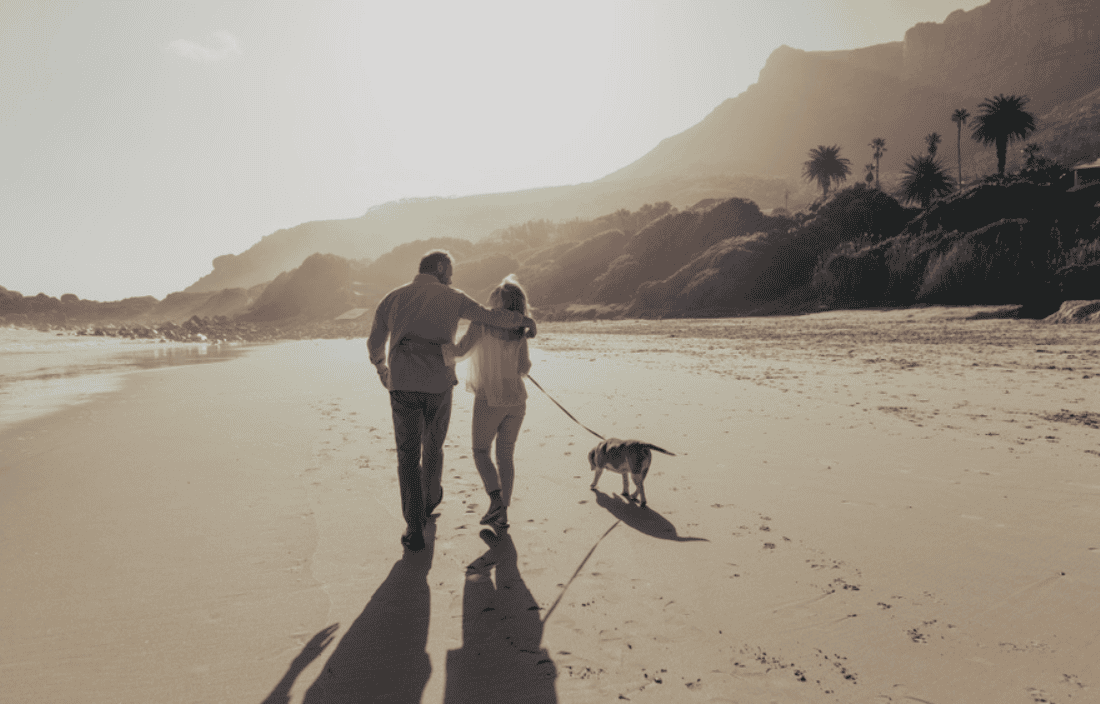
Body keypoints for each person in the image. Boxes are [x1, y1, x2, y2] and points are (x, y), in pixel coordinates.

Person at [368, 251, 537, 552]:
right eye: (452, 271)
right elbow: (491, 317)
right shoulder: (455, 297)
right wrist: (524, 320)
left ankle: (414, 525)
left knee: (408, 455)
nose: (453, 277)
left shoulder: (392, 298)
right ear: (442, 268)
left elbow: (374, 342)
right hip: (440, 385)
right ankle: (434, 498)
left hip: (403, 384)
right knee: (434, 446)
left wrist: (382, 368)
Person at [444, 275, 532, 532]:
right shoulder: (519, 330)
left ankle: (495, 501)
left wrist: (434, 346)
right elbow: (524, 367)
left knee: (481, 451)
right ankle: (502, 513)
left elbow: (459, 352)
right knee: (506, 456)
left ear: (497, 301)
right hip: (517, 399)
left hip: (490, 398)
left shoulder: (481, 324)